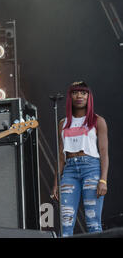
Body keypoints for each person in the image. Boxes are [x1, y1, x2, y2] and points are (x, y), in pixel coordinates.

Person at [51, 81, 108, 237]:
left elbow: (104, 152)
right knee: (65, 222)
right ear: (70, 96)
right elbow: (61, 155)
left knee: (93, 221)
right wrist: (56, 182)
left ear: (89, 96)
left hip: (91, 168)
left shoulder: (97, 121)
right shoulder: (63, 123)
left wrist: (103, 180)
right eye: (75, 92)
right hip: (69, 170)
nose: (79, 96)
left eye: (83, 93)